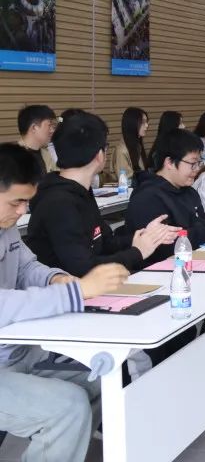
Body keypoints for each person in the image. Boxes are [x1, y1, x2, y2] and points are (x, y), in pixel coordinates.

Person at [0, 142, 129, 462]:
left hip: (16, 354)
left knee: (100, 381)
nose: (22, 212)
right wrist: (76, 292)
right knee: (68, 408)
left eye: (26, 202)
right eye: (16, 202)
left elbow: (27, 267)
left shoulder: (6, 227)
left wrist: (56, 279)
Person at [25, 111, 178, 275]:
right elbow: (83, 268)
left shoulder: (80, 190)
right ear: (99, 155)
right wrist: (138, 252)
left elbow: (105, 242)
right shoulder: (58, 202)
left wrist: (144, 236)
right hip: (71, 288)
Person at [124, 129, 205, 266]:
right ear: (169, 162)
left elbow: (204, 233)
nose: (197, 169)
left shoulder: (189, 192)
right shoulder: (147, 198)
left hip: (194, 263)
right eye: (193, 163)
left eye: (199, 163)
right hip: (163, 270)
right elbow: (164, 248)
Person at [107, 106, 150, 184]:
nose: (147, 125)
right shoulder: (122, 150)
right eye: (143, 122)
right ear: (132, 124)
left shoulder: (137, 146)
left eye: (147, 122)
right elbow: (126, 180)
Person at [15, 104, 58, 175]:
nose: (52, 130)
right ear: (34, 128)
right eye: (49, 125)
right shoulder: (13, 158)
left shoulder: (48, 154)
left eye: (53, 126)